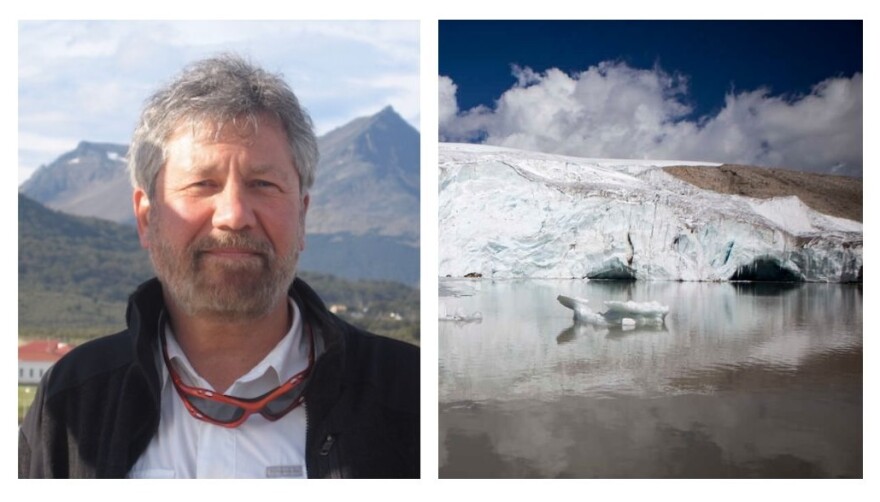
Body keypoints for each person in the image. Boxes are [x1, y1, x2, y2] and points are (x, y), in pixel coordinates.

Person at [18, 54, 420, 479]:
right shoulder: (69, 405)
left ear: (302, 217)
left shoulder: (411, 397)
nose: (233, 214)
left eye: (263, 184)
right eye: (202, 184)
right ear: (145, 218)